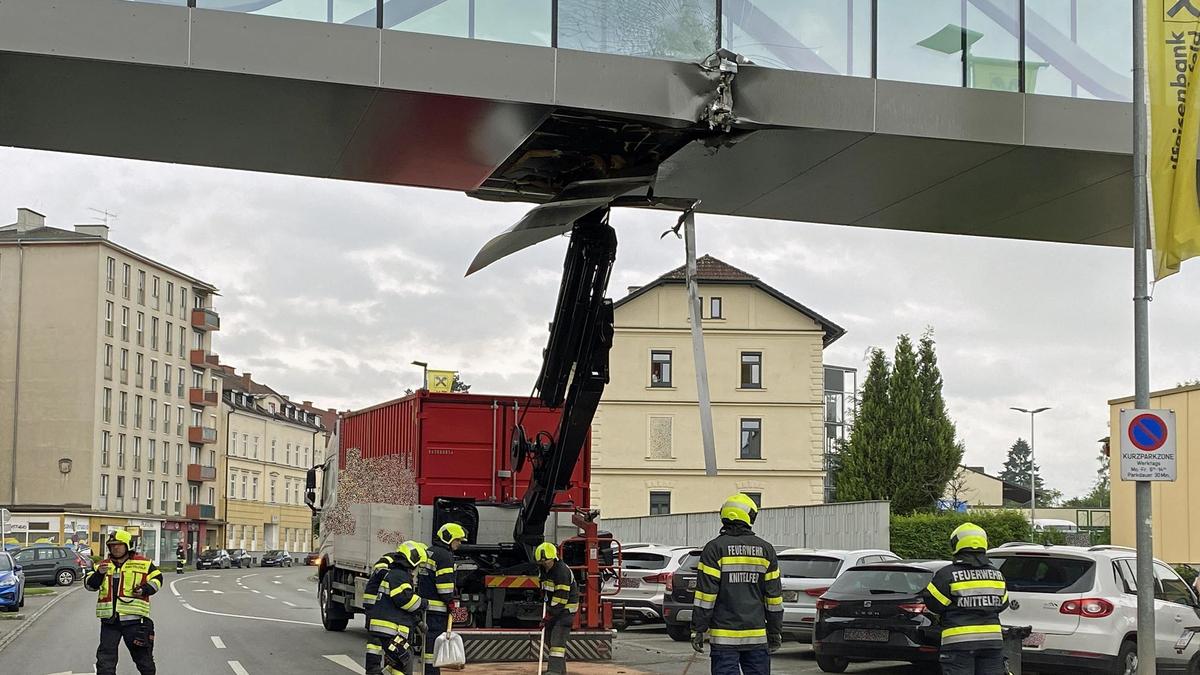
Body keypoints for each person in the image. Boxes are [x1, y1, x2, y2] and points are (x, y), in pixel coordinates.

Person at [690, 493, 783, 675]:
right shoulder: (766, 550)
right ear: (749, 517)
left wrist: (698, 629)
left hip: (724, 639)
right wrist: (774, 631)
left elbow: (705, 596)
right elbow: (773, 599)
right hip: (757, 637)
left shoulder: (714, 549)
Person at [922, 522, 1009, 675]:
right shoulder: (997, 575)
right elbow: (1003, 604)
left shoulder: (946, 575)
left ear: (956, 544)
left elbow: (933, 604)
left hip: (958, 644)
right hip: (992, 643)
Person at [86, 529, 163, 675]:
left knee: (143, 660)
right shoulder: (101, 566)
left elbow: (158, 579)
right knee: (105, 662)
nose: (115, 548)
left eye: (119, 545)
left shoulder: (144, 563)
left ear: (128, 546)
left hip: (134, 621)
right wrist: (99, 574)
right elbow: (90, 586)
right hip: (110, 622)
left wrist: (144, 589)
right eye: (112, 545)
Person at [366, 541, 429, 675]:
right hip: (388, 630)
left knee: (400, 661)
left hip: (387, 629)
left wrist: (418, 622)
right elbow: (405, 601)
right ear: (413, 560)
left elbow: (402, 606)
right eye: (418, 565)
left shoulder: (397, 574)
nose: (417, 569)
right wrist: (424, 603)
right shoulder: (400, 576)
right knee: (404, 657)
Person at [420, 523, 467, 675]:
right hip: (437, 611)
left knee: (428, 646)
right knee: (434, 647)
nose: (459, 543)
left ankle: (428, 671)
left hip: (426, 607)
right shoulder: (445, 557)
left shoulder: (429, 552)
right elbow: (445, 588)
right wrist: (452, 603)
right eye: (458, 540)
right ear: (449, 538)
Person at [535, 541, 578, 675]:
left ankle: (554, 671)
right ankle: (561, 671)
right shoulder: (544, 570)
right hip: (554, 610)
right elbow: (545, 588)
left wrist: (548, 616)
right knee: (549, 640)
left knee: (557, 643)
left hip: (565, 611)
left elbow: (560, 599)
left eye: (546, 561)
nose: (544, 564)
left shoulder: (561, 572)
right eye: (541, 562)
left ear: (553, 557)